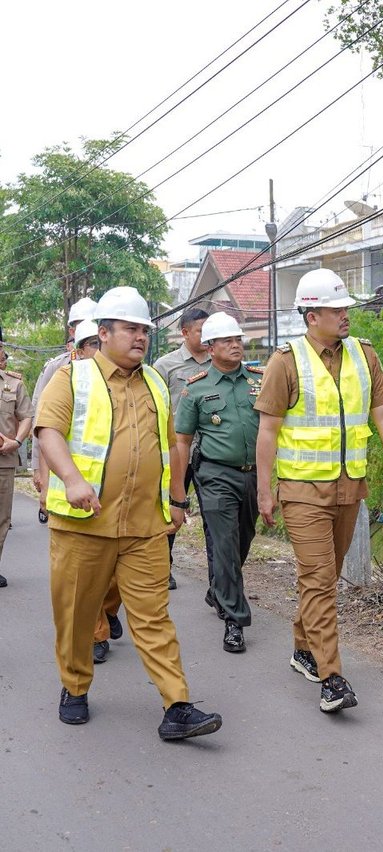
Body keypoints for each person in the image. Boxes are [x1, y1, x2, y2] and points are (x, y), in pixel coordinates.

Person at [35, 286, 222, 741]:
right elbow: (48, 431)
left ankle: (176, 704)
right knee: (78, 614)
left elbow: (172, 445)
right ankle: (74, 687)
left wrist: (177, 499)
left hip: (144, 527)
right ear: (103, 333)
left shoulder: (156, 381)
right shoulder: (72, 378)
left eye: (145, 330)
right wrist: (72, 479)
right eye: (131, 329)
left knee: (154, 616)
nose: (140, 337)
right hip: (84, 526)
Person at [254, 269, 383, 713]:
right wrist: (265, 491)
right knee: (320, 580)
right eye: (336, 309)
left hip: (350, 487)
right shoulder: (285, 362)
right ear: (311, 315)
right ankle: (332, 678)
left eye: (345, 307)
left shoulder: (364, 356)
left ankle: (303, 648)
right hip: (303, 491)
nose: (346, 315)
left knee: (325, 576)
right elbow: (267, 431)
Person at [175, 311, 263, 653]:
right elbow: (182, 441)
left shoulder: (260, 378)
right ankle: (234, 620)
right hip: (215, 475)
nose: (235, 345)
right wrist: (178, 491)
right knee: (224, 544)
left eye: (238, 339)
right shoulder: (196, 387)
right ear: (210, 348)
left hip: (253, 473)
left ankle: (219, 589)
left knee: (243, 539)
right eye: (227, 341)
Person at [72, 319, 123, 665]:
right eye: (88, 343)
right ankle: (97, 631)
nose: (95, 349)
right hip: (83, 500)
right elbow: (48, 434)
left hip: (126, 499)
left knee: (117, 576)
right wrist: (44, 480)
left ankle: (108, 610)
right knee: (90, 576)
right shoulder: (67, 379)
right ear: (79, 349)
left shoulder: (137, 381)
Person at [153, 308, 214, 597]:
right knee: (171, 509)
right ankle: (163, 565)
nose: (205, 335)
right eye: (200, 330)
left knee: (215, 519)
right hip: (178, 452)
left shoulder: (219, 362)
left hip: (212, 452)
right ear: (185, 332)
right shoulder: (166, 366)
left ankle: (219, 582)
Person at [32, 296, 98, 524]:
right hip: (62, 469)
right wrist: (39, 473)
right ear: (72, 331)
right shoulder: (56, 368)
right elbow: (41, 424)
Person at [0, 355, 34, 587]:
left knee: (1, 518)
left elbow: (27, 416)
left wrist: (18, 441)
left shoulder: (13, 384)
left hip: (4, 459)